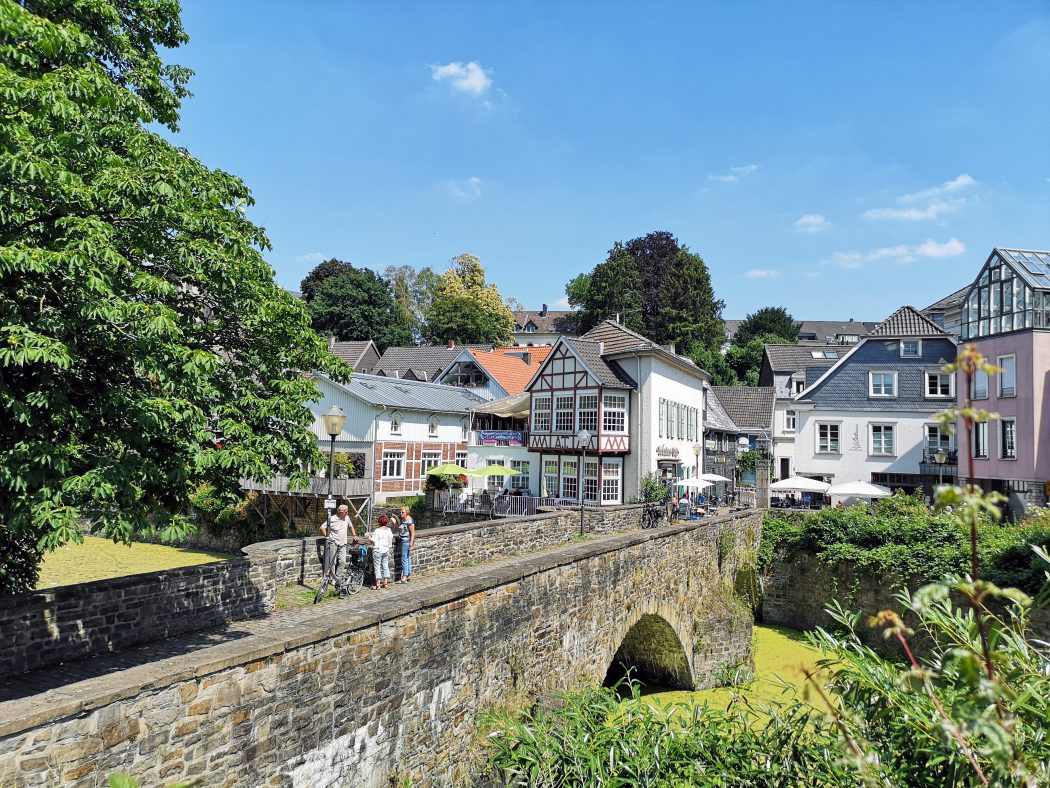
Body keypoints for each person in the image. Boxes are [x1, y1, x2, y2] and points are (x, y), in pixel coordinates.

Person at [319, 504, 357, 597]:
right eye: (346, 511)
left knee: (342, 561)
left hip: (343, 544)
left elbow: (350, 526)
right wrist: (327, 537)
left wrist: (354, 535)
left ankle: (338, 579)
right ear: (341, 512)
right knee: (332, 562)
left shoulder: (347, 518)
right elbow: (322, 527)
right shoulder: (332, 519)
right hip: (333, 543)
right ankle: (332, 579)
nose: (347, 513)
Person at [371, 514, 394, 589]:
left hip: (378, 550)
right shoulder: (389, 530)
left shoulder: (377, 531)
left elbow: (373, 541)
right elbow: (390, 539)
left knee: (377, 567)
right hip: (386, 550)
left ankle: (378, 584)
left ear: (379, 522)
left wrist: (368, 538)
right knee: (385, 566)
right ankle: (385, 582)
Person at [397, 506, 416, 583]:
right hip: (403, 540)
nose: (401, 513)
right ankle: (408, 575)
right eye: (400, 512)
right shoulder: (403, 520)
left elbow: (413, 533)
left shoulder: (409, 521)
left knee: (404, 558)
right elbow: (402, 529)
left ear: (407, 513)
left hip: (406, 541)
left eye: (403, 512)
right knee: (407, 558)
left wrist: (411, 544)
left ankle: (404, 576)